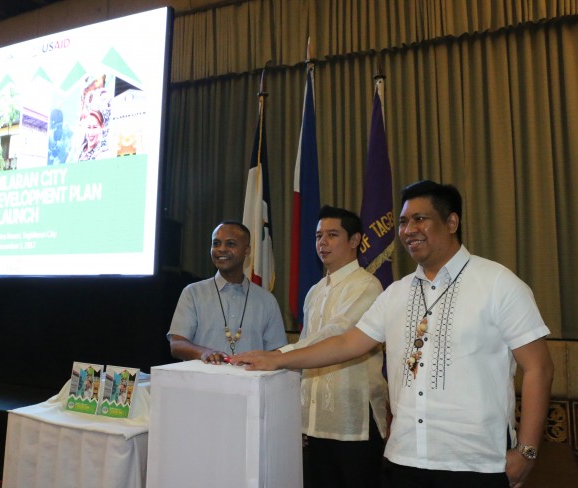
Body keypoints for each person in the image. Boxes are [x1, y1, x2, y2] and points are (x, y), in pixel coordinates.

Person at [235, 180, 553, 488]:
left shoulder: (497, 283)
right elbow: (348, 342)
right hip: (405, 459)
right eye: (402, 221)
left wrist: (527, 451)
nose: (408, 229)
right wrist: (278, 358)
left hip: (476, 462)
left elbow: (539, 367)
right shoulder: (396, 293)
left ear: (452, 221)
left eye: (420, 219)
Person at [283, 205, 388, 488]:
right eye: (318, 236)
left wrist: (278, 356)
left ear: (354, 241)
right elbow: (307, 348)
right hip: (316, 422)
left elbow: (335, 334)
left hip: (354, 419)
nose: (322, 243)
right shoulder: (315, 291)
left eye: (332, 235)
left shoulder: (367, 285)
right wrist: (302, 417)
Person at [168, 221, 288, 364]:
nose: (221, 249)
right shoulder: (193, 293)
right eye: (216, 243)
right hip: (201, 383)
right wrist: (204, 353)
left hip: (249, 384)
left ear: (247, 250)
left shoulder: (267, 300)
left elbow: (278, 353)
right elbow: (177, 344)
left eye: (230, 244)